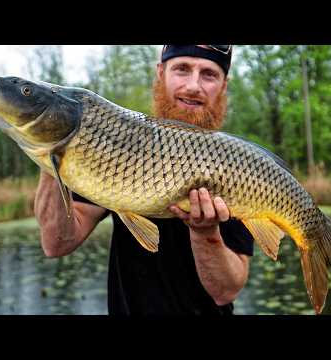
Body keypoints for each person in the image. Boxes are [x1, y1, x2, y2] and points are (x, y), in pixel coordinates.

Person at [34, 45, 254, 315]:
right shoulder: (120, 141)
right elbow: (57, 244)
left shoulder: (240, 165)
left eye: (209, 74)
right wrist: (52, 148)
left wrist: (206, 233)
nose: (193, 85)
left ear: (223, 85)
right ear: (160, 73)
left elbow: (226, 291)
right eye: (182, 69)